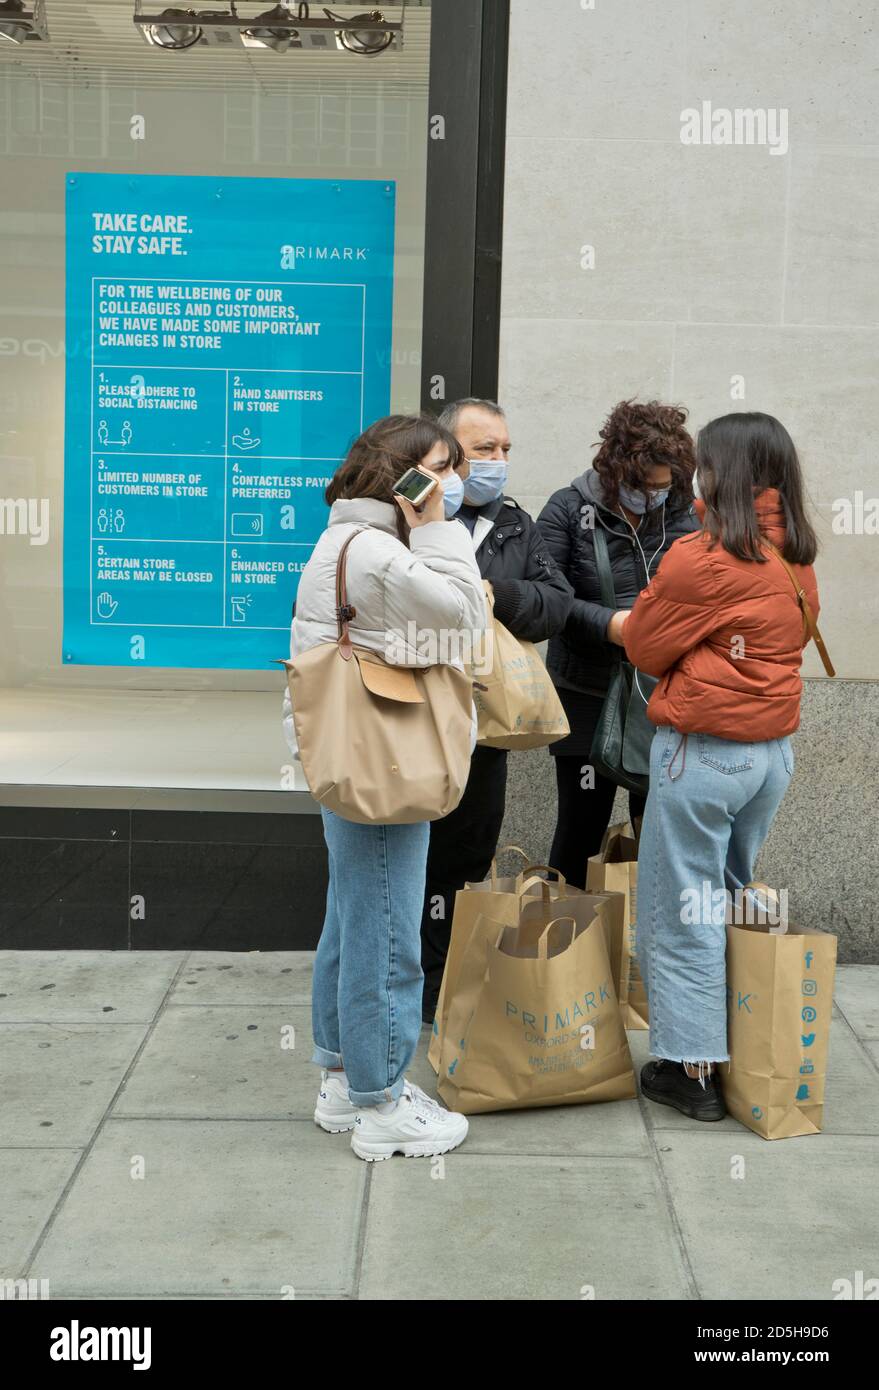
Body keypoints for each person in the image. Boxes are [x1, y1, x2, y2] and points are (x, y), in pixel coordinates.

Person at [283, 415, 486, 1160]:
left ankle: (342, 1076)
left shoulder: (346, 538)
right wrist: (435, 529)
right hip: (384, 760)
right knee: (388, 931)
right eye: (441, 468)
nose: (454, 482)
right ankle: (382, 1102)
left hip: (356, 754)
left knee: (353, 914)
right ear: (401, 477)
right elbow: (466, 620)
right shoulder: (378, 551)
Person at [622, 411, 823, 1121]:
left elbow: (644, 649)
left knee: (683, 914)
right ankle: (737, 1041)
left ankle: (690, 1071)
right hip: (768, 758)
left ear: (722, 471)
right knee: (726, 899)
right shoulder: (792, 549)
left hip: (704, 755)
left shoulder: (702, 555)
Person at [419, 398, 574, 1022]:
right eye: (485, 450)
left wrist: (497, 593)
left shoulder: (514, 523)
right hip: (415, 715)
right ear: (448, 454)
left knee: (468, 852)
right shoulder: (406, 516)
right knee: (410, 855)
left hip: (484, 725)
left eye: (506, 449)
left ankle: (443, 985)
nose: (499, 462)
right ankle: (403, 981)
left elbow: (555, 603)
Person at [536, 400, 698, 885]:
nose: (653, 495)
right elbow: (548, 600)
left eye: (663, 486)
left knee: (658, 832)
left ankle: (638, 948)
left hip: (659, 695)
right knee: (579, 831)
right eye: (643, 484)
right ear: (613, 467)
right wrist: (610, 625)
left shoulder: (683, 513)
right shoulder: (568, 509)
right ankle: (566, 950)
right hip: (586, 692)